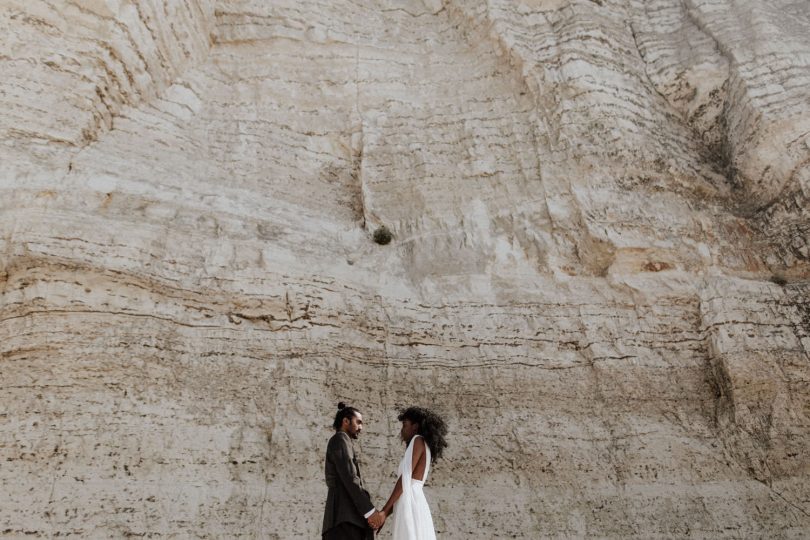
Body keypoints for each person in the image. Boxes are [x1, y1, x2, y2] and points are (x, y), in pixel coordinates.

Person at [368, 407, 448, 539]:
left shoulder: (417, 440)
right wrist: (385, 514)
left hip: (410, 502)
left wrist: (383, 512)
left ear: (415, 427)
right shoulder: (424, 444)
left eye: (405, 425)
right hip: (414, 499)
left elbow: (404, 478)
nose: (402, 430)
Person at [322, 402, 383, 540]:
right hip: (343, 520)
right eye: (358, 422)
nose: (361, 427)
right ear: (345, 421)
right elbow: (350, 478)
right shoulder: (340, 439)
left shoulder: (344, 441)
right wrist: (370, 512)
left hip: (347, 521)